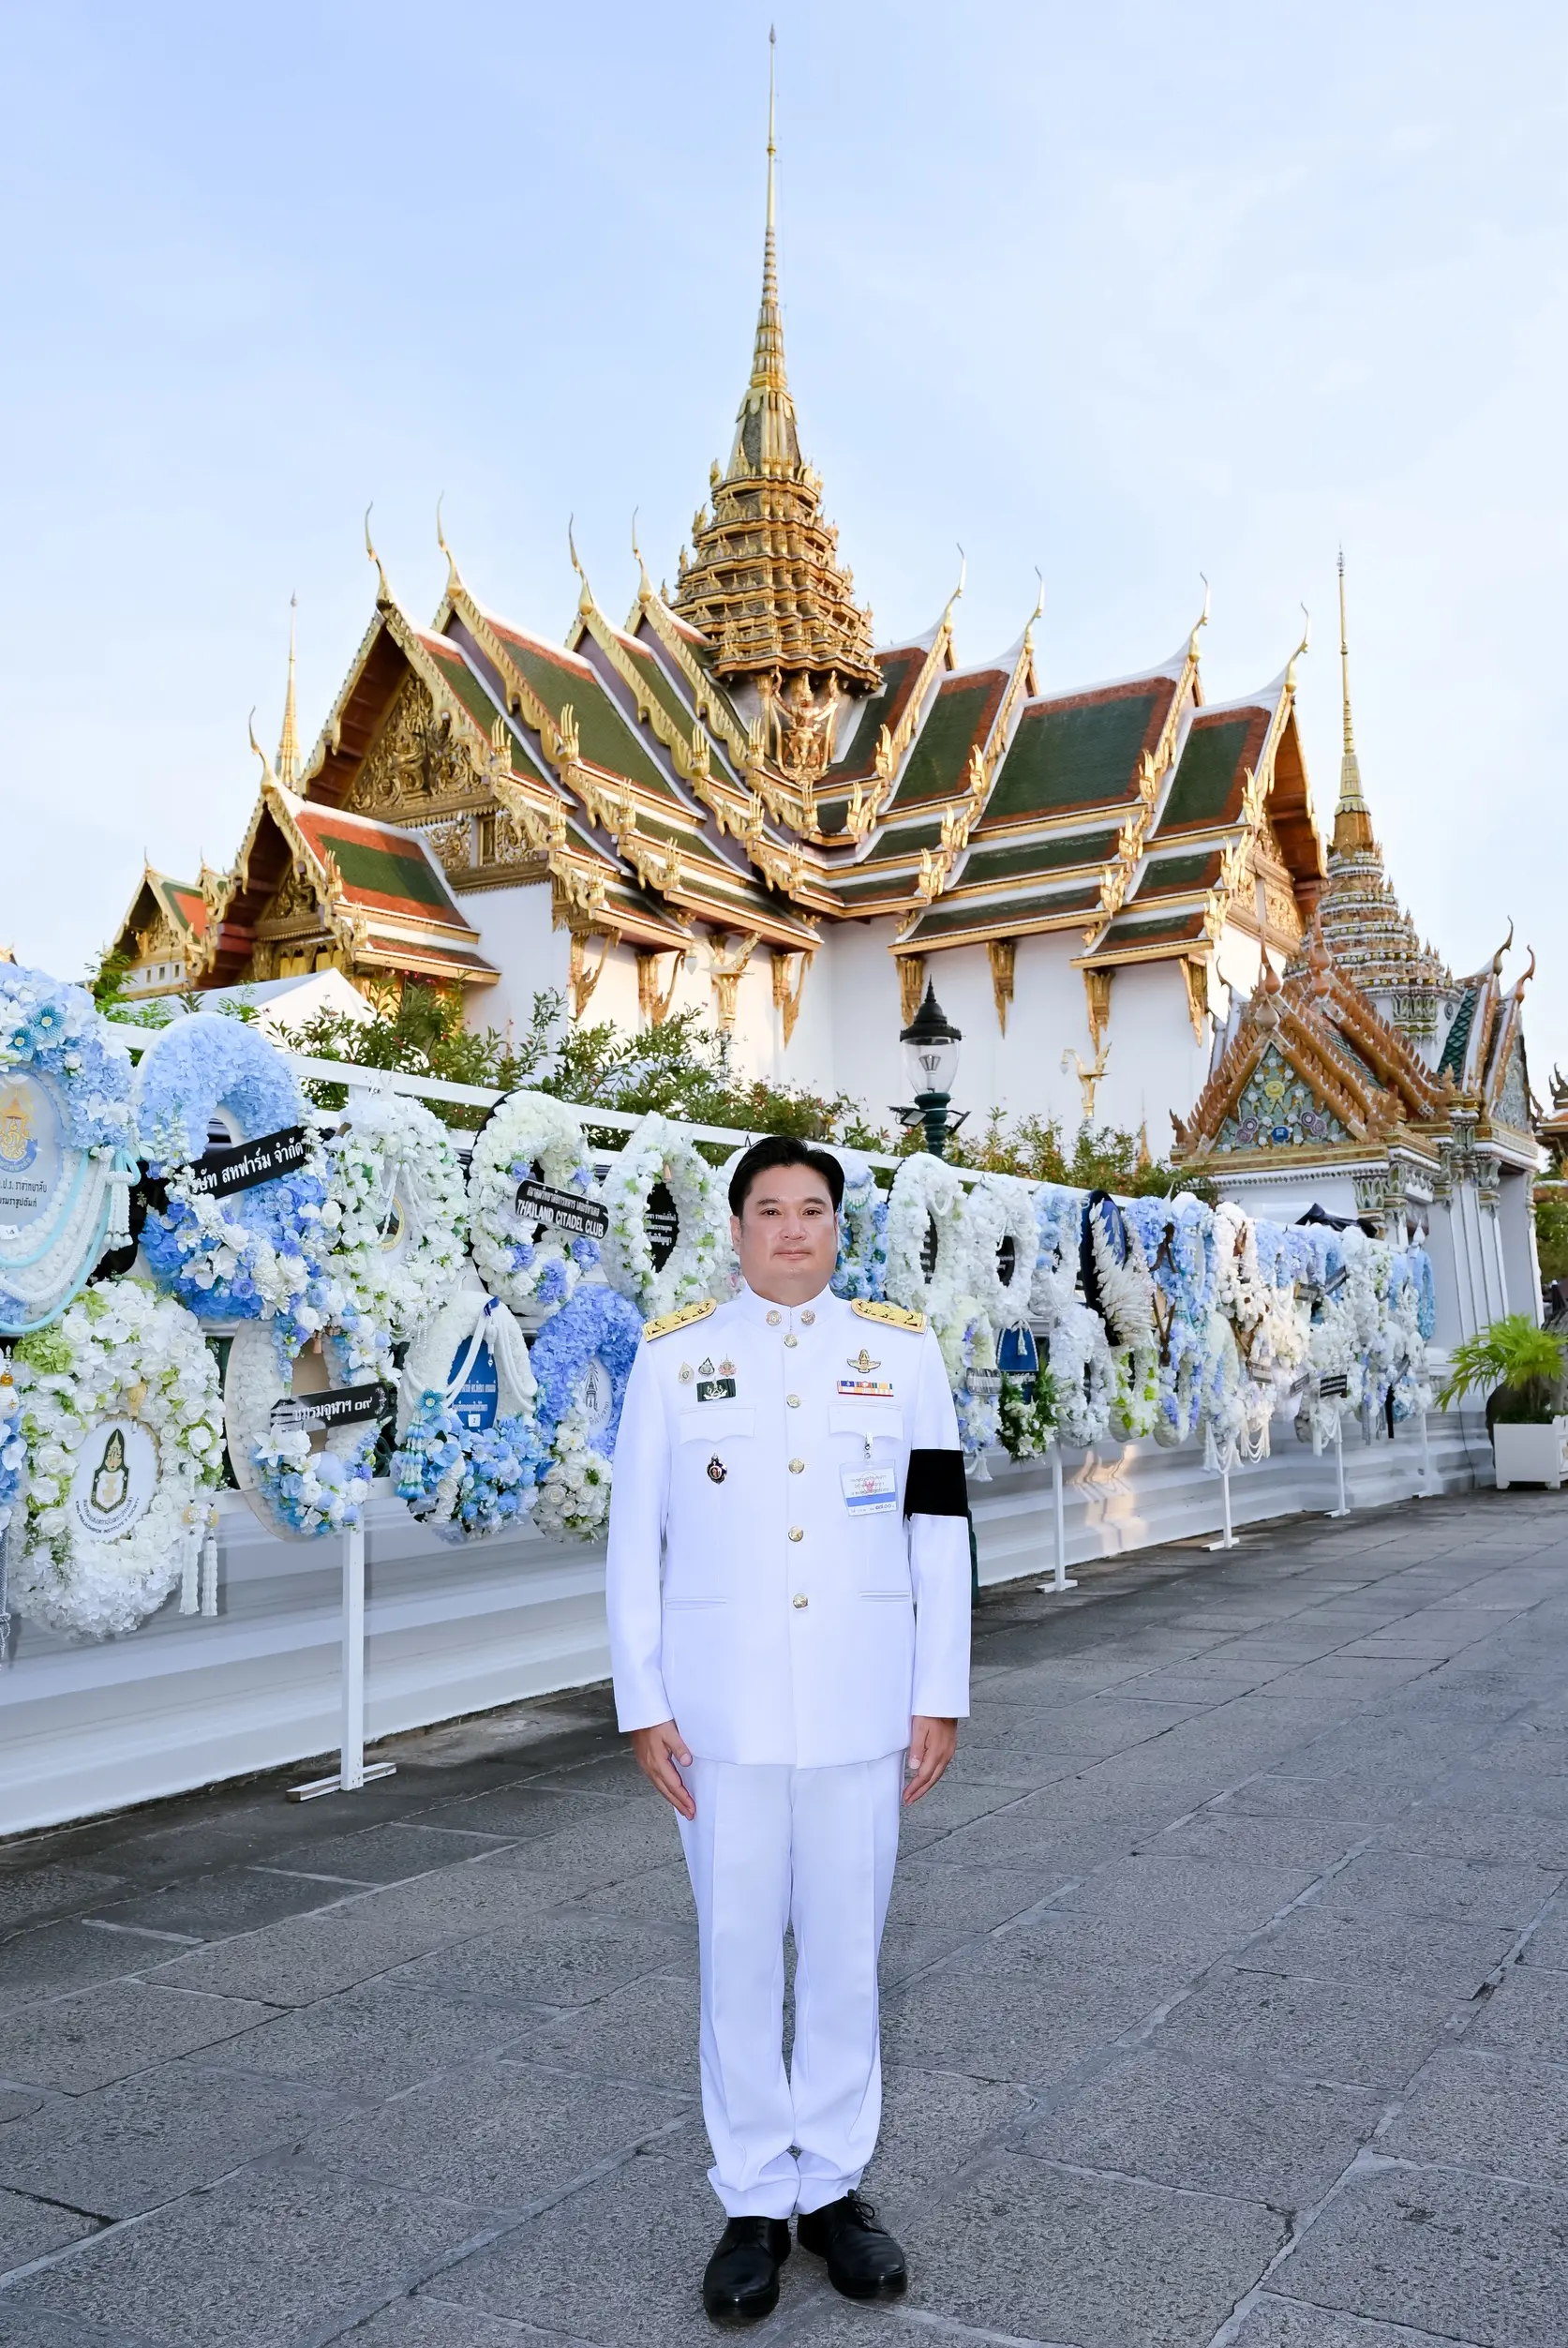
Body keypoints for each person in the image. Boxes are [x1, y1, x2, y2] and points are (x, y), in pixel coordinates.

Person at [605, 1134, 971, 2326]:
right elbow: (635, 1540)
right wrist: (644, 1702)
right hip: (721, 1715)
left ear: (836, 1226)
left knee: (847, 1954)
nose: (792, 1229)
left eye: (811, 1209)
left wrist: (937, 1689)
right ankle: (755, 2198)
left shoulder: (901, 1354)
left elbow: (937, 1529)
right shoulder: (674, 1360)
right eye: (769, 1210)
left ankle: (834, 2192)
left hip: (863, 1701)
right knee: (736, 1955)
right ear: (735, 1230)